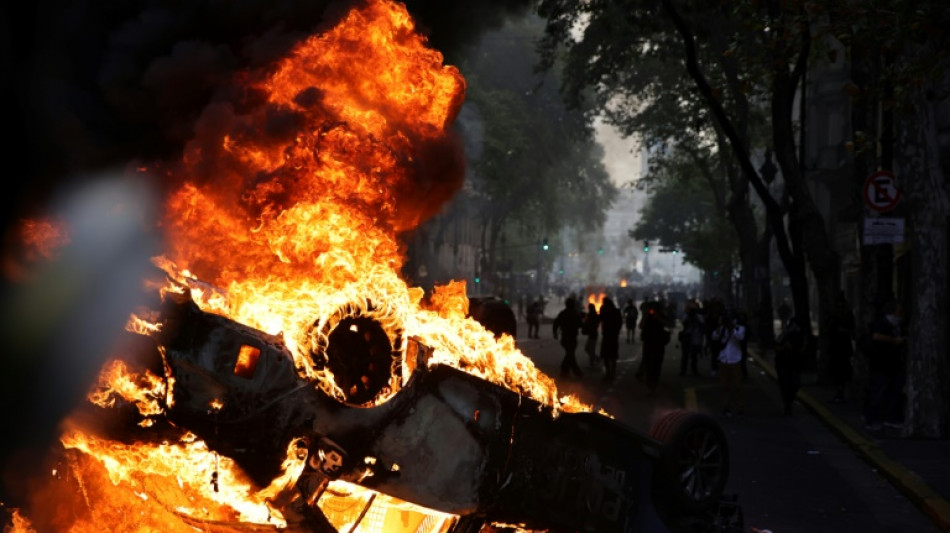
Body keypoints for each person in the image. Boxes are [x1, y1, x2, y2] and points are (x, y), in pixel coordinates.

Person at [863, 300, 906, 431]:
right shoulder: (883, 322)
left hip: (894, 363)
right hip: (882, 364)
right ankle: (870, 420)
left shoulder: (897, 325)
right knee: (878, 392)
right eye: (899, 310)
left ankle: (890, 418)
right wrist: (895, 341)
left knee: (896, 391)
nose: (902, 313)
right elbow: (876, 336)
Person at [712, 310, 746, 416]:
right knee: (725, 386)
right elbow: (714, 336)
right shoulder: (722, 328)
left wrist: (732, 327)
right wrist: (720, 327)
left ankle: (740, 408)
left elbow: (740, 337)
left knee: (737, 386)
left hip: (735, 359)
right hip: (723, 359)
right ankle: (726, 407)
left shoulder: (739, 328)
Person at [826, 292, 855, 403]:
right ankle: (839, 391)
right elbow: (828, 328)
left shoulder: (847, 314)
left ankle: (842, 391)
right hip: (836, 347)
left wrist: (845, 331)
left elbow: (852, 329)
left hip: (843, 347)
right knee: (837, 372)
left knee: (843, 371)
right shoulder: (833, 315)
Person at [774, 315, 806, 416]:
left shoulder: (800, 336)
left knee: (795, 384)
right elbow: (776, 346)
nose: (794, 328)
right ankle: (787, 405)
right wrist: (784, 347)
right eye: (793, 325)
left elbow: (803, 349)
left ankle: (789, 402)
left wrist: (794, 348)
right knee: (785, 385)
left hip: (794, 363)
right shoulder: (784, 335)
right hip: (783, 363)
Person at [637, 303, 670, 394]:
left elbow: (668, 324)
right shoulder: (647, 316)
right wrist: (646, 316)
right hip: (648, 343)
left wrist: (657, 318)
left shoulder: (661, 315)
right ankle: (650, 385)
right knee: (648, 366)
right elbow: (641, 326)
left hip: (659, 343)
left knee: (657, 366)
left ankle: (653, 385)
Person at [553, 296, 584, 378]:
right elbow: (581, 324)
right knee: (570, 354)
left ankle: (567, 370)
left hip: (565, 337)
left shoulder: (563, 313)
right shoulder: (575, 313)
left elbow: (556, 324)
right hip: (571, 337)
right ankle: (569, 369)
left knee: (570, 354)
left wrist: (555, 333)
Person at [599, 297, 623, 382]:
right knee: (613, 356)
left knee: (606, 356)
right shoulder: (616, 311)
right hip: (614, 335)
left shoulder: (604, 310)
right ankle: (612, 373)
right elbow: (620, 323)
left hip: (607, 335)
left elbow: (600, 319)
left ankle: (608, 373)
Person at [680, 306, 705, 376]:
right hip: (687, 337)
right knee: (685, 355)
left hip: (696, 338)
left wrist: (696, 319)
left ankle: (694, 371)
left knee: (694, 356)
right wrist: (688, 318)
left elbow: (702, 325)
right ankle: (683, 371)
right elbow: (683, 323)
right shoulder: (686, 316)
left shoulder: (699, 317)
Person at [581, 302, 601, 368]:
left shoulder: (591, 315)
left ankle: (593, 361)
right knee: (589, 349)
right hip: (593, 333)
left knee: (589, 349)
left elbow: (587, 323)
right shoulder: (595, 315)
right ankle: (595, 359)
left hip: (593, 334)